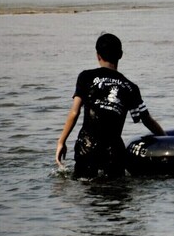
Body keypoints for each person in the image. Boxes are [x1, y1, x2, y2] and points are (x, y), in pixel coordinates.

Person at [56, 33, 165, 179]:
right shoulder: (130, 87)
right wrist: (166, 139)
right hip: (113, 151)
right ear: (120, 55)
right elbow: (146, 120)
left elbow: (74, 112)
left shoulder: (86, 77)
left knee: (85, 187)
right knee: (115, 191)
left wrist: (61, 141)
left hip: (87, 146)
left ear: (98, 55)